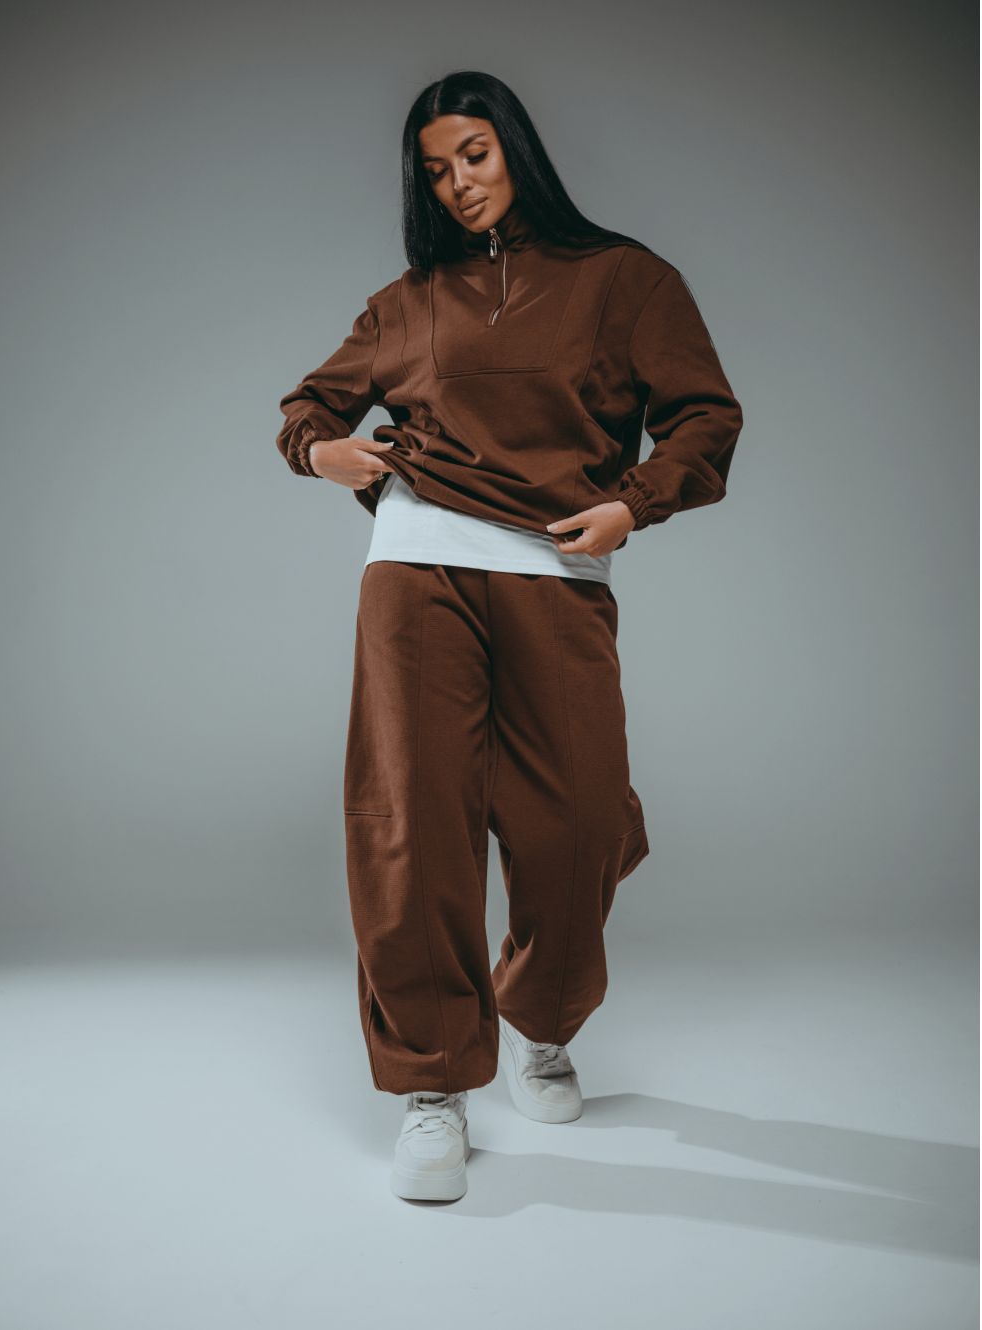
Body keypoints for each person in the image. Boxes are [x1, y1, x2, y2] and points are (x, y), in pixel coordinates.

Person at [276, 70, 742, 1202]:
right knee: (415, 825)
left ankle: (541, 1016)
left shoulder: (626, 279)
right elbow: (310, 410)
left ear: (516, 151)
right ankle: (431, 1085)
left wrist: (635, 502)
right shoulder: (409, 300)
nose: (457, 184)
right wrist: (323, 451)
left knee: (579, 820)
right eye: (435, 170)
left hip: (555, 570)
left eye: (473, 156)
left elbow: (703, 414)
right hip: (415, 568)